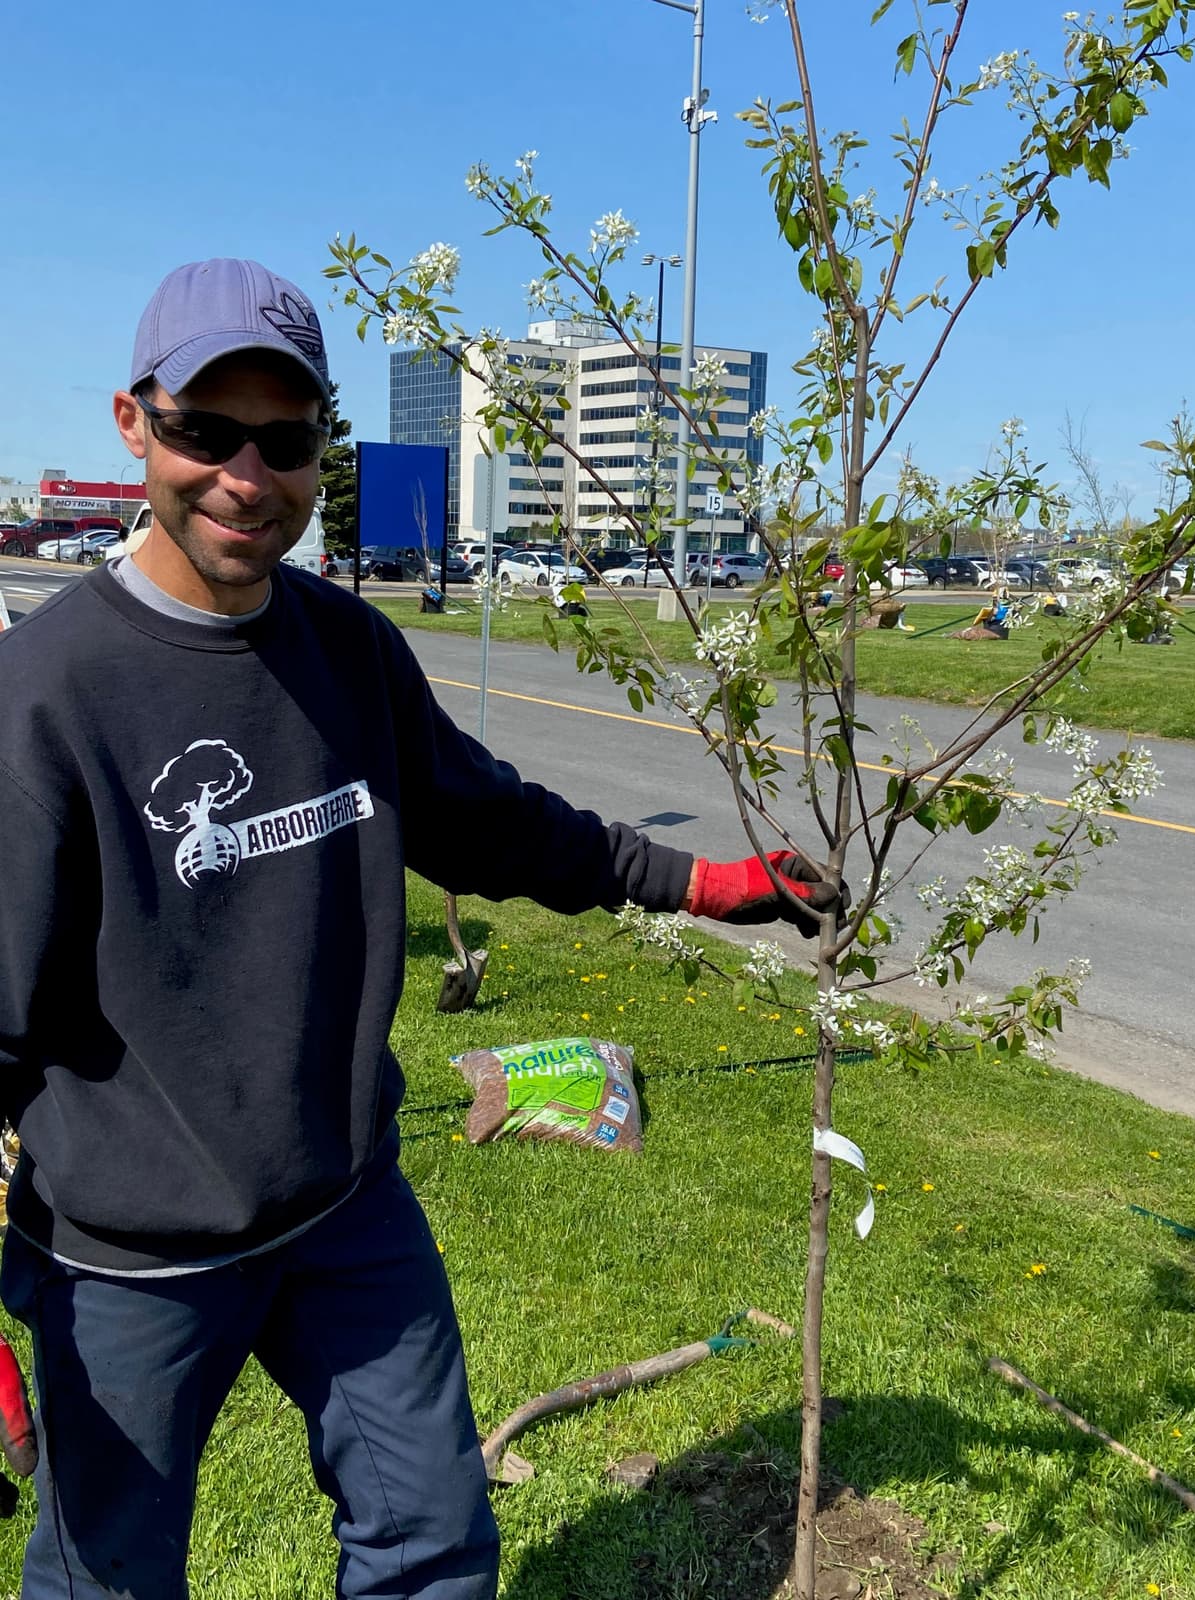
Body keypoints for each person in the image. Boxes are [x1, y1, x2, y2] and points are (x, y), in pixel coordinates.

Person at [0, 259, 838, 1600]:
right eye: (206, 432)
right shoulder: (45, 697)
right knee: (108, 1577)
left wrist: (708, 888)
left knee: (436, 1539)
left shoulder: (349, 651)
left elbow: (497, 827)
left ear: (320, 452)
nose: (244, 475)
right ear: (132, 422)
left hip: (342, 1207)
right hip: (132, 1256)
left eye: (285, 441)